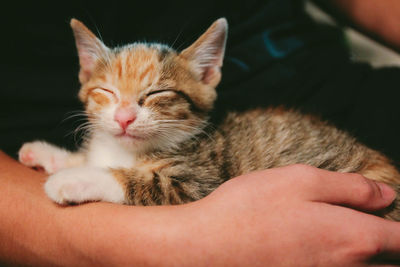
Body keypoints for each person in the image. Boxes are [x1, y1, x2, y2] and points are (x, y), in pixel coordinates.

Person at [1, 0, 400, 265]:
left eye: (155, 96)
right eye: (106, 94)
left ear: (208, 75)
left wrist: (95, 175)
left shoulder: (185, 147)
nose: (125, 116)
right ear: (87, 74)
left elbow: (181, 182)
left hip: (335, 121)